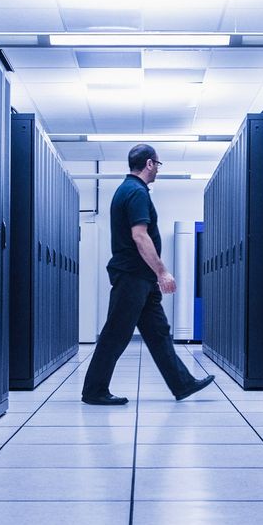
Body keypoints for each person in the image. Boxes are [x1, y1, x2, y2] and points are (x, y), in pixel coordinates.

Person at [81, 144, 216, 405]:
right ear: (150, 164)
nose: (158, 170)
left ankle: (182, 383)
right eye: (158, 164)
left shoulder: (129, 190)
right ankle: (94, 391)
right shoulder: (136, 192)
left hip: (141, 278)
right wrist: (163, 271)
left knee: (158, 332)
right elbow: (139, 236)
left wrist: (153, 275)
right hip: (132, 275)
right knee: (116, 333)